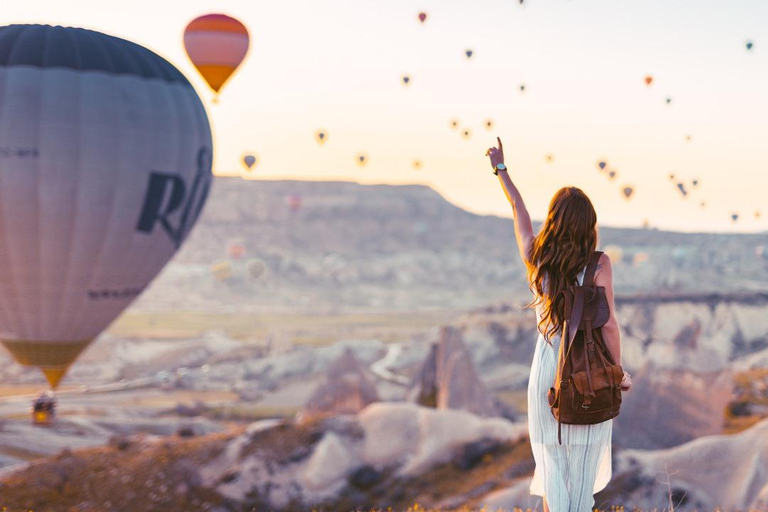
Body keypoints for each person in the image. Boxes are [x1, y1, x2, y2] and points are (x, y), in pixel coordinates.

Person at [485, 138, 632, 512]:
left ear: (553, 220)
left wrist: (501, 169)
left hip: (546, 376)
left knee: (552, 468)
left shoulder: (536, 257)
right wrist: (616, 372)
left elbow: (517, 208)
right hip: (587, 376)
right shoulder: (600, 264)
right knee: (581, 478)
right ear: (589, 225)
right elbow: (609, 327)